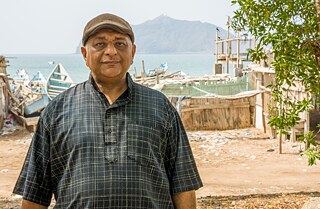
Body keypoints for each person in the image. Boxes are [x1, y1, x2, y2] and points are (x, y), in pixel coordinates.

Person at [13, 13, 203, 209]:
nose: (111, 51)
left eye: (120, 44)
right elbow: (35, 193)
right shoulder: (56, 110)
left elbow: (183, 184)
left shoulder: (160, 107)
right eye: (100, 44)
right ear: (85, 54)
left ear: (133, 52)